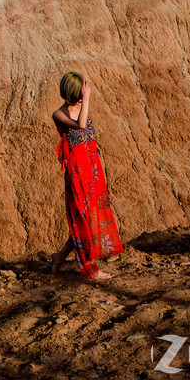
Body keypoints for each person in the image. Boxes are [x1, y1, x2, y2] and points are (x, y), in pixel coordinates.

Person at [49, 71, 122, 280]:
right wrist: (87, 98)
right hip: (77, 172)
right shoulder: (59, 114)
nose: (83, 94)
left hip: (92, 169)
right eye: (80, 91)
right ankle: (90, 270)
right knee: (82, 216)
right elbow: (81, 126)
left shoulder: (82, 108)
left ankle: (60, 257)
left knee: (91, 216)